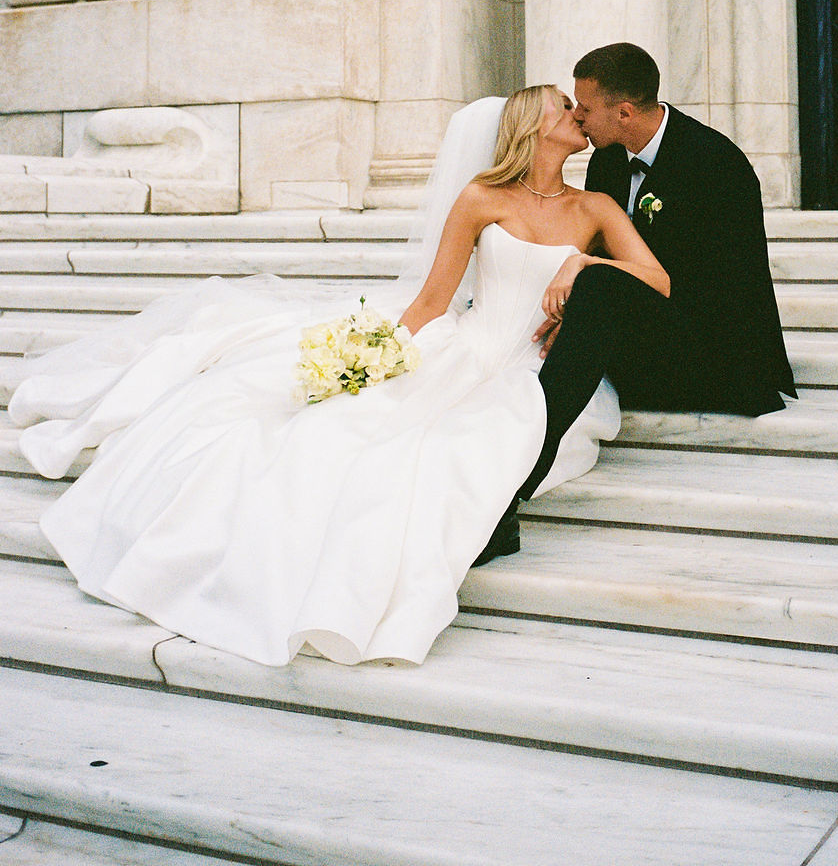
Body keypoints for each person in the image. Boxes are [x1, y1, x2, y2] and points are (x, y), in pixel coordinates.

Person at [8, 86, 667, 668]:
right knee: (337, 442)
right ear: (533, 125)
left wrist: (582, 266)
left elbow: (657, 280)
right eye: (565, 107)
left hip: (526, 365)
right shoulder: (482, 196)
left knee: (471, 445)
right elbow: (433, 302)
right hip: (463, 346)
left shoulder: (596, 208)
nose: (580, 116)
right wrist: (375, 358)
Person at [515, 43, 796, 510]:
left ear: (624, 112)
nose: (578, 117)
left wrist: (597, 279)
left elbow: (721, 294)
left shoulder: (715, 162)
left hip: (717, 354)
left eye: (585, 108)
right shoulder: (607, 159)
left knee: (598, 283)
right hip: (643, 336)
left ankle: (521, 475)